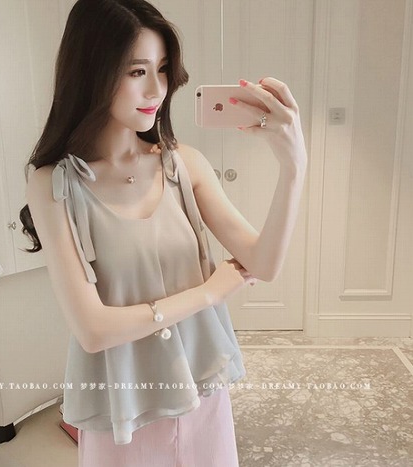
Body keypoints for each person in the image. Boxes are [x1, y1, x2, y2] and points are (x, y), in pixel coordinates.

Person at [21, 0, 307, 465]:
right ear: (92, 72)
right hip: (122, 413)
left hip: (201, 395)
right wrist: (208, 293)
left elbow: (265, 263)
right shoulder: (54, 184)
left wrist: (293, 167)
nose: (157, 88)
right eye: (137, 71)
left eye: (162, 69)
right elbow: (93, 330)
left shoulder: (183, 164)